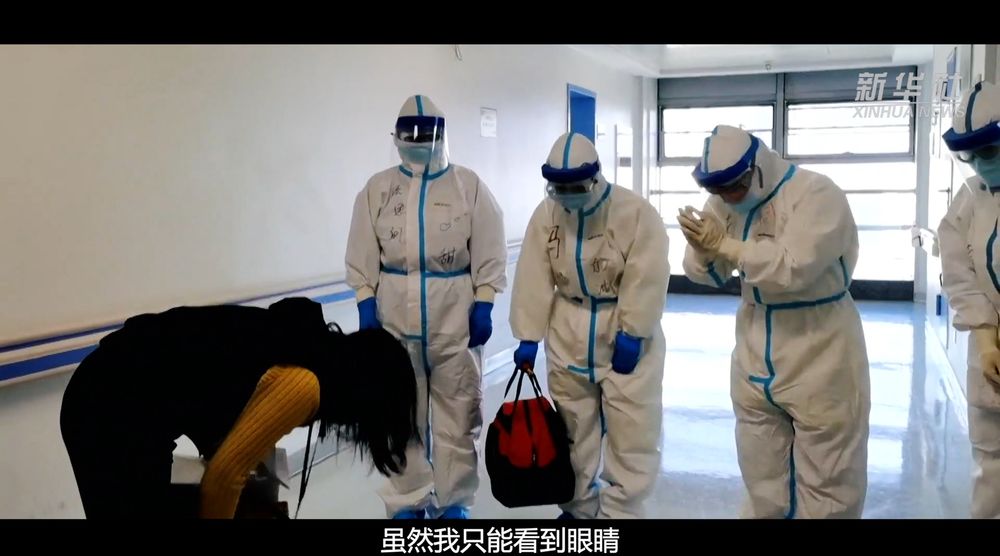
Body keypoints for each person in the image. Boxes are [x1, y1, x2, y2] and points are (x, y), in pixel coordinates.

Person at [59, 297, 418, 519]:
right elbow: (224, 477)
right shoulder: (304, 384)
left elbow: (219, 399)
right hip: (107, 405)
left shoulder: (304, 347)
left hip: (116, 393)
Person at [677, 125, 870, 519]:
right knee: (761, 471)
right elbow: (708, 274)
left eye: (734, 187)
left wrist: (725, 245)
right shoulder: (723, 201)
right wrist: (702, 251)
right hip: (754, 341)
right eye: (718, 190)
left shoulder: (816, 194)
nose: (728, 198)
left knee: (829, 476)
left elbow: (792, 268)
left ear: (757, 169)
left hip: (819, 343)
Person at [345, 94, 507, 519]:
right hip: (394, 324)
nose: (416, 143)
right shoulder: (378, 189)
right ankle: (408, 500)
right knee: (400, 416)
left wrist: (485, 302)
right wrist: (365, 302)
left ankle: (454, 502)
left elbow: (490, 250)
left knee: (459, 417)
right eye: (409, 136)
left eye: (424, 136)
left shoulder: (467, 187)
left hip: (454, 323)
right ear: (397, 138)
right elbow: (361, 252)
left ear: (440, 135)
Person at [509, 132, 669, 519]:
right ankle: (578, 508)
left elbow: (648, 274)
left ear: (595, 179)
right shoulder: (547, 215)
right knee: (572, 428)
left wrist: (634, 330)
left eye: (574, 188)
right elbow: (533, 274)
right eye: (558, 189)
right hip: (568, 327)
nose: (566, 196)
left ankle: (621, 512)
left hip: (620, 326)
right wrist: (528, 335)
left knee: (632, 430)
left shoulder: (634, 213)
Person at [938, 80, 1000, 519]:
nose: (978, 163)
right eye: (969, 155)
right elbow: (958, 269)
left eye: (987, 151)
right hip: (990, 354)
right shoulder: (972, 198)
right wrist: (984, 335)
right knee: (991, 462)